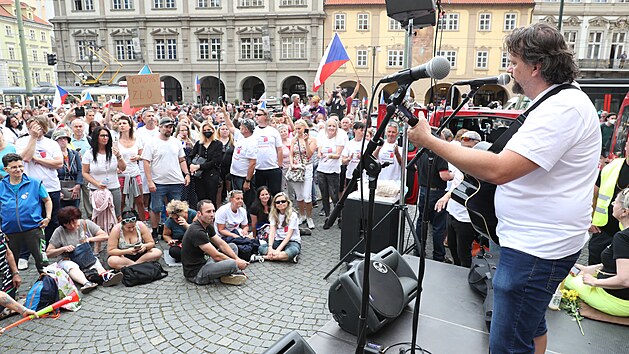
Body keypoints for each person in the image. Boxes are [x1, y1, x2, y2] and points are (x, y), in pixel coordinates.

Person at [407, 23, 600, 354]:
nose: (510, 69)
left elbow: (500, 170)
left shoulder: (562, 108)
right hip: (534, 241)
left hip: (536, 248)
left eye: (514, 62)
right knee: (532, 323)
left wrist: (429, 141)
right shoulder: (556, 101)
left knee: (509, 343)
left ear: (536, 66)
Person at [564, 188, 629, 316]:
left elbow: (625, 280)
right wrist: (586, 269)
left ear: (624, 212)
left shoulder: (622, 238)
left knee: (564, 278)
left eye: (615, 202)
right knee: (575, 272)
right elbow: (615, 265)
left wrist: (595, 282)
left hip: (619, 301)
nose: (612, 204)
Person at [15, 116, 62, 266]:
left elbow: (58, 163)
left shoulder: (52, 143)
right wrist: (33, 139)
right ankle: (25, 254)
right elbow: (26, 158)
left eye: (38, 127)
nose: (35, 130)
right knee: (29, 220)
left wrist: (39, 159)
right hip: (28, 188)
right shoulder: (21, 142)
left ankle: (48, 249)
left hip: (51, 186)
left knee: (51, 220)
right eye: (32, 127)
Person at [46, 206, 123, 293]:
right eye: (68, 224)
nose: (72, 226)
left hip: (87, 257)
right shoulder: (59, 232)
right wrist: (63, 249)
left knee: (94, 263)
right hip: (68, 259)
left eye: (74, 223)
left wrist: (90, 239)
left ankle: (106, 276)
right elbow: (48, 253)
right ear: (63, 224)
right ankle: (86, 283)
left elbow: (105, 236)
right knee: (71, 266)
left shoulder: (85, 224)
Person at [435, 131, 482, 268]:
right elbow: (455, 183)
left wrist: (447, 196)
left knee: (464, 254)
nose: (465, 151)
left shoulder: (478, 166)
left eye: (469, 148)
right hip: (452, 213)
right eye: (463, 147)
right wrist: (447, 196)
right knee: (453, 250)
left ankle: (463, 281)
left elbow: (464, 184)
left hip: (465, 218)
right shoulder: (460, 162)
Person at [0, 153, 51, 273]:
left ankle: (48, 287)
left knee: (42, 262)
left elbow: (47, 200)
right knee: (10, 265)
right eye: (14, 167)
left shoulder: (34, 183)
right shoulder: (1, 186)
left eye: (20, 166)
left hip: (34, 228)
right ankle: (11, 291)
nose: (18, 169)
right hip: (10, 231)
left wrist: (47, 217)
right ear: (6, 169)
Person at [142, 117, 191, 240]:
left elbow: (182, 159)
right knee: (156, 207)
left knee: (176, 209)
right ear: (160, 127)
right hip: (158, 181)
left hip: (176, 180)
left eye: (171, 127)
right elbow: (146, 162)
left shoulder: (176, 142)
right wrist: (149, 181)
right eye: (166, 126)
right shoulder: (151, 142)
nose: (169, 129)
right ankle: (154, 230)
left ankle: (172, 230)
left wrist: (187, 173)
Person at [181, 200, 249, 285]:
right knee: (232, 263)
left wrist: (237, 259)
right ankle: (225, 273)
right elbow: (216, 255)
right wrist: (237, 263)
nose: (212, 214)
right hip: (196, 273)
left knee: (232, 246)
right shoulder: (197, 231)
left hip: (205, 262)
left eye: (213, 211)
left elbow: (221, 244)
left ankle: (224, 275)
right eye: (208, 212)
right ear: (199, 214)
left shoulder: (207, 225)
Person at [590, 140, 629, 265]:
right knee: (594, 272)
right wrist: (590, 218)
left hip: (626, 236)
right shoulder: (613, 166)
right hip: (603, 231)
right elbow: (594, 193)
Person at [82, 126, 126, 218]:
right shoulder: (89, 154)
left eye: (107, 136)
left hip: (113, 187)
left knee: (116, 215)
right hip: (96, 189)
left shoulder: (113, 152)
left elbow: (123, 168)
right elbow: (85, 172)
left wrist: (119, 156)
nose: (105, 138)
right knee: (98, 216)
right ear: (96, 137)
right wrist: (97, 184)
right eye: (102, 136)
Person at [255, 192, 301, 263]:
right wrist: (270, 248)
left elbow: (289, 236)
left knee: (293, 250)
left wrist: (277, 250)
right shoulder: (273, 215)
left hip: (292, 241)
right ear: (275, 205)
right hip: (278, 240)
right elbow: (272, 232)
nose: (280, 203)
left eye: (283, 201)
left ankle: (264, 257)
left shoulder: (293, 215)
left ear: (287, 202)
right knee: (261, 248)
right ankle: (287, 257)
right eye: (278, 202)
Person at [224, 108, 256, 208]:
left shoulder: (251, 142)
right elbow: (230, 126)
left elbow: (252, 163)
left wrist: (247, 181)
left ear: (246, 129)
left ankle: (249, 221)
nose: (239, 127)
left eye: (241, 126)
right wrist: (225, 113)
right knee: (237, 199)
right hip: (235, 175)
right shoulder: (240, 136)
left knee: (247, 200)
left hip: (243, 177)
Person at [288, 119, 316, 229]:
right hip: (296, 168)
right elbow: (291, 154)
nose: (297, 131)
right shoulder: (293, 140)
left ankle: (309, 217)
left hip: (306, 168)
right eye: (296, 128)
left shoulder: (312, 140)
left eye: (299, 128)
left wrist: (306, 141)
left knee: (307, 195)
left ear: (305, 128)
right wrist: (291, 164)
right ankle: (302, 215)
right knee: (299, 195)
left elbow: (309, 154)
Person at [116, 116, 145, 221]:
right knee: (121, 201)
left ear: (129, 126)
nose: (122, 126)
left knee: (140, 201)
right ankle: (118, 224)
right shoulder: (116, 141)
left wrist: (138, 157)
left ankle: (143, 223)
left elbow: (143, 155)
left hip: (135, 172)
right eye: (119, 124)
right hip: (121, 174)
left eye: (124, 123)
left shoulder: (137, 140)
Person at [316, 119, 344, 222]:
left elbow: (338, 155)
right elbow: (319, 152)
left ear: (336, 128)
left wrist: (330, 156)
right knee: (324, 194)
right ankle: (328, 216)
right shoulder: (322, 138)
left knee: (334, 195)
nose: (331, 128)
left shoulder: (339, 139)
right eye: (329, 126)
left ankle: (339, 216)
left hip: (333, 171)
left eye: (333, 126)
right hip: (322, 169)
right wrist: (320, 155)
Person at [189, 121, 222, 207]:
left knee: (211, 199)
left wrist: (199, 166)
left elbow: (216, 161)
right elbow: (190, 156)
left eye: (209, 129)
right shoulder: (199, 143)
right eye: (205, 130)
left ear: (213, 130)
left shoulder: (218, 144)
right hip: (199, 176)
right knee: (201, 199)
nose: (207, 131)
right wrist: (191, 165)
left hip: (211, 176)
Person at [252, 109, 283, 196]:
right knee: (260, 194)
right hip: (258, 169)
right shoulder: (254, 131)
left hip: (273, 167)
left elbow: (279, 149)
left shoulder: (273, 131)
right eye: (256, 115)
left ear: (265, 116)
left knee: (275, 193)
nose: (256, 117)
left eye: (259, 115)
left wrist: (279, 165)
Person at [53, 127, 83, 209]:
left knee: (74, 211)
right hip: (59, 184)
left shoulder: (74, 153)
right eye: (60, 139)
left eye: (65, 139)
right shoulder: (53, 155)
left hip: (73, 184)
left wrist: (78, 184)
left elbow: (80, 170)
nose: (63, 141)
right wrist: (57, 190)